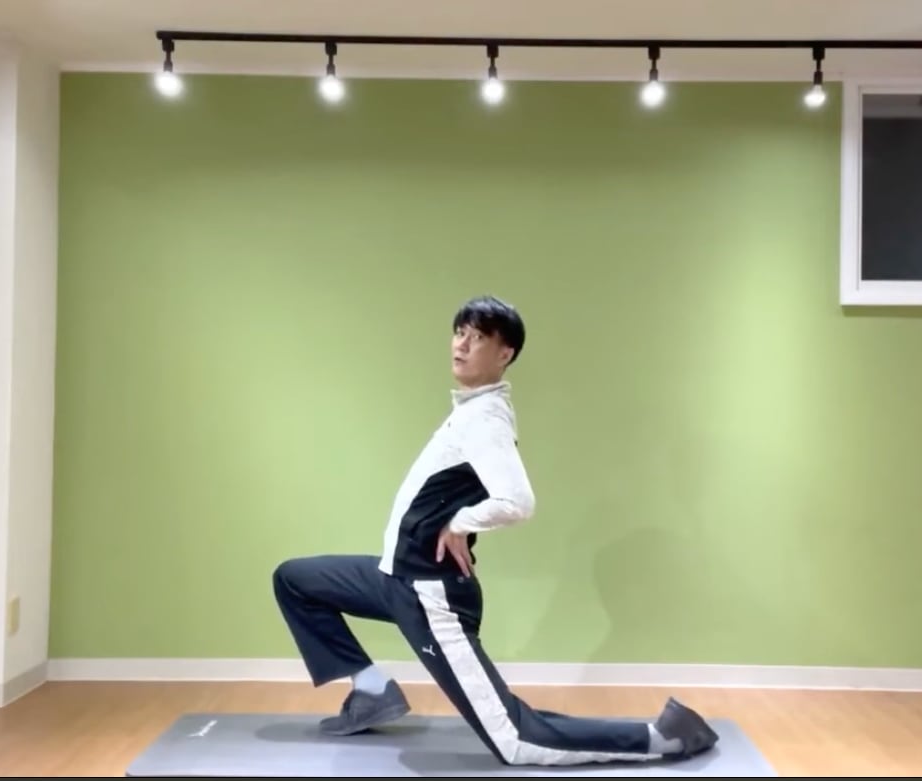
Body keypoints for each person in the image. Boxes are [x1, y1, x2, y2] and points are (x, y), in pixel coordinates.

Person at [272, 294, 719, 766]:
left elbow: (517, 502)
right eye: (459, 332)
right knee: (296, 580)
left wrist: (459, 522)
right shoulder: (470, 410)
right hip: (393, 578)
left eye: (478, 337)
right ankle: (371, 691)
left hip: (430, 597)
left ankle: (662, 737)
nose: (461, 345)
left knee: (515, 740)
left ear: (505, 354)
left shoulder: (486, 419)